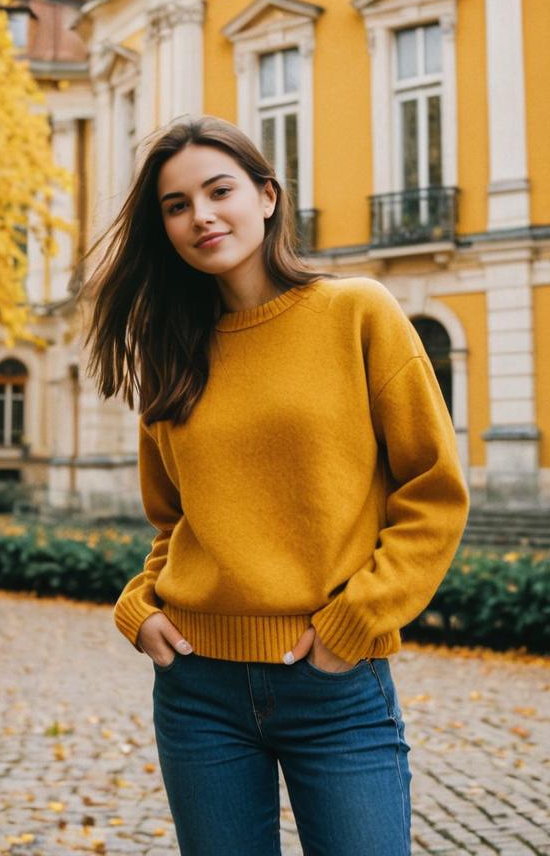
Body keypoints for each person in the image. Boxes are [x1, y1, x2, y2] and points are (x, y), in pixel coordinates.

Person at [82, 115, 469, 856]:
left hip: (335, 689)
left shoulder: (357, 313)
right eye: (176, 205)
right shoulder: (171, 355)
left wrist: (355, 623)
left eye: (218, 190)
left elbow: (433, 491)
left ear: (267, 197)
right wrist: (140, 603)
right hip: (198, 693)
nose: (200, 215)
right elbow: (176, 522)